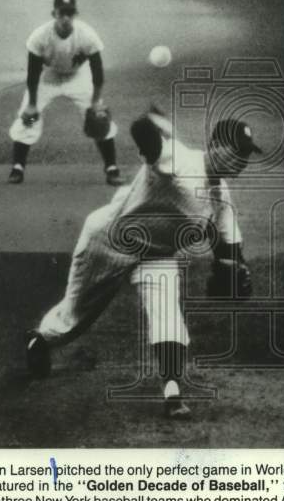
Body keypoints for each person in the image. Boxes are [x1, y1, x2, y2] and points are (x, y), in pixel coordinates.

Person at [24, 109, 260, 419]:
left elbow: (229, 247)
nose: (241, 161)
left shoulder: (222, 199)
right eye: (236, 151)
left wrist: (236, 269)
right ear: (215, 145)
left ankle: (172, 392)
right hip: (108, 241)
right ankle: (39, 340)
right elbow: (143, 137)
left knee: (168, 316)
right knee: (74, 318)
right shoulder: (177, 157)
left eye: (245, 155)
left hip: (157, 255)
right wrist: (149, 125)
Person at [7, 0, 123, 186]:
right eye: (62, 13)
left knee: (99, 117)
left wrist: (95, 103)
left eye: (70, 13)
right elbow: (33, 73)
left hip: (78, 76)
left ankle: (111, 168)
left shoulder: (87, 34)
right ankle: (17, 167)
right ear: (54, 13)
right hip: (49, 76)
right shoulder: (40, 36)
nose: (66, 18)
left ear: (75, 14)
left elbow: (97, 72)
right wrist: (33, 104)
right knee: (28, 116)